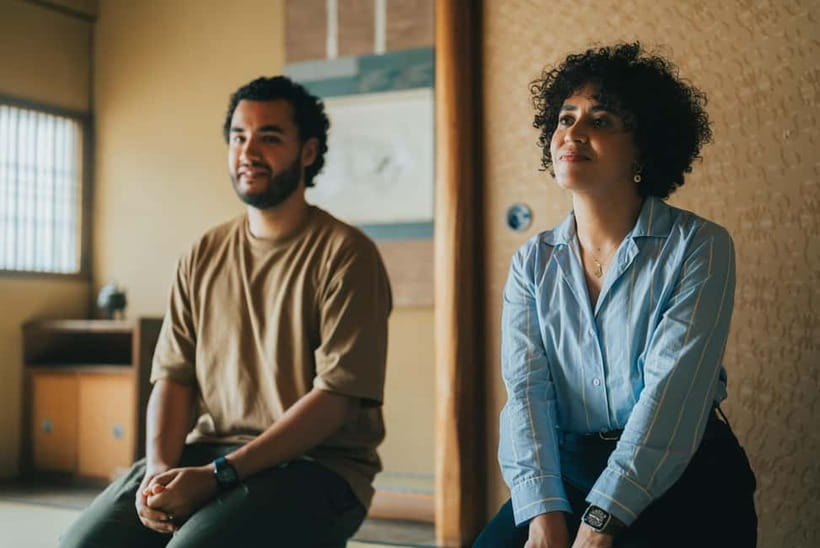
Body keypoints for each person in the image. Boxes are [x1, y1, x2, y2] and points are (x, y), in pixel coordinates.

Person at [61, 76, 392, 547]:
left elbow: (337, 397)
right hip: (208, 451)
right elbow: (173, 378)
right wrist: (158, 472)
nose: (248, 151)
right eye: (239, 137)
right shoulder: (204, 252)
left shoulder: (346, 254)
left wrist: (219, 476)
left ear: (308, 152)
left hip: (318, 468)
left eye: (269, 137)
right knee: (83, 545)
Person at [474, 43, 757, 548]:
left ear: (644, 148)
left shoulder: (700, 247)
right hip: (570, 471)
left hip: (685, 471)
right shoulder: (532, 264)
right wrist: (542, 513)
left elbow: (669, 399)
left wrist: (601, 522)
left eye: (600, 121)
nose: (573, 133)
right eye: (566, 118)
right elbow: (526, 395)